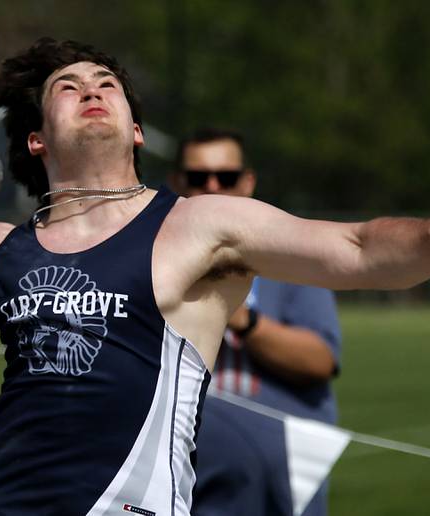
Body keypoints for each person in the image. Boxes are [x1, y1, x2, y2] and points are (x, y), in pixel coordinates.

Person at [0, 37, 430, 515]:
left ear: (137, 129)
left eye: (108, 84)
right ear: (36, 137)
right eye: (69, 86)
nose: (94, 90)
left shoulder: (201, 226)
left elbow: (359, 250)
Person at [171, 128, 341, 515]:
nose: (212, 187)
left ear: (247, 183)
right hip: (177, 469)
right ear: (177, 183)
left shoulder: (290, 257)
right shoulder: (151, 259)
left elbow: (319, 361)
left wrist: (240, 319)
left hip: (273, 481)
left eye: (226, 178)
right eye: (198, 179)